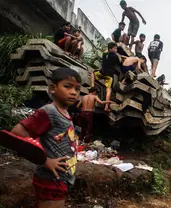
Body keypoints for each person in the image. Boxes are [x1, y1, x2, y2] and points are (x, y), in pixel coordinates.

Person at [10, 67, 81, 208]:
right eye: (67, 86)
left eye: (77, 89)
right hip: (50, 179)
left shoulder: (65, 113)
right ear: (53, 88)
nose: (74, 92)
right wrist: (45, 160)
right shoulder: (49, 111)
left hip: (61, 178)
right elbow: (17, 132)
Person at [91, 42, 121, 112]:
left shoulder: (104, 54)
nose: (116, 50)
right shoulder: (115, 56)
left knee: (93, 73)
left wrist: (109, 49)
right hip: (109, 76)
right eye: (115, 48)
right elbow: (119, 62)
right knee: (109, 90)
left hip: (102, 73)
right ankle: (106, 107)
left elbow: (106, 52)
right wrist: (118, 55)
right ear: (111, 49)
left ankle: (92, 86)